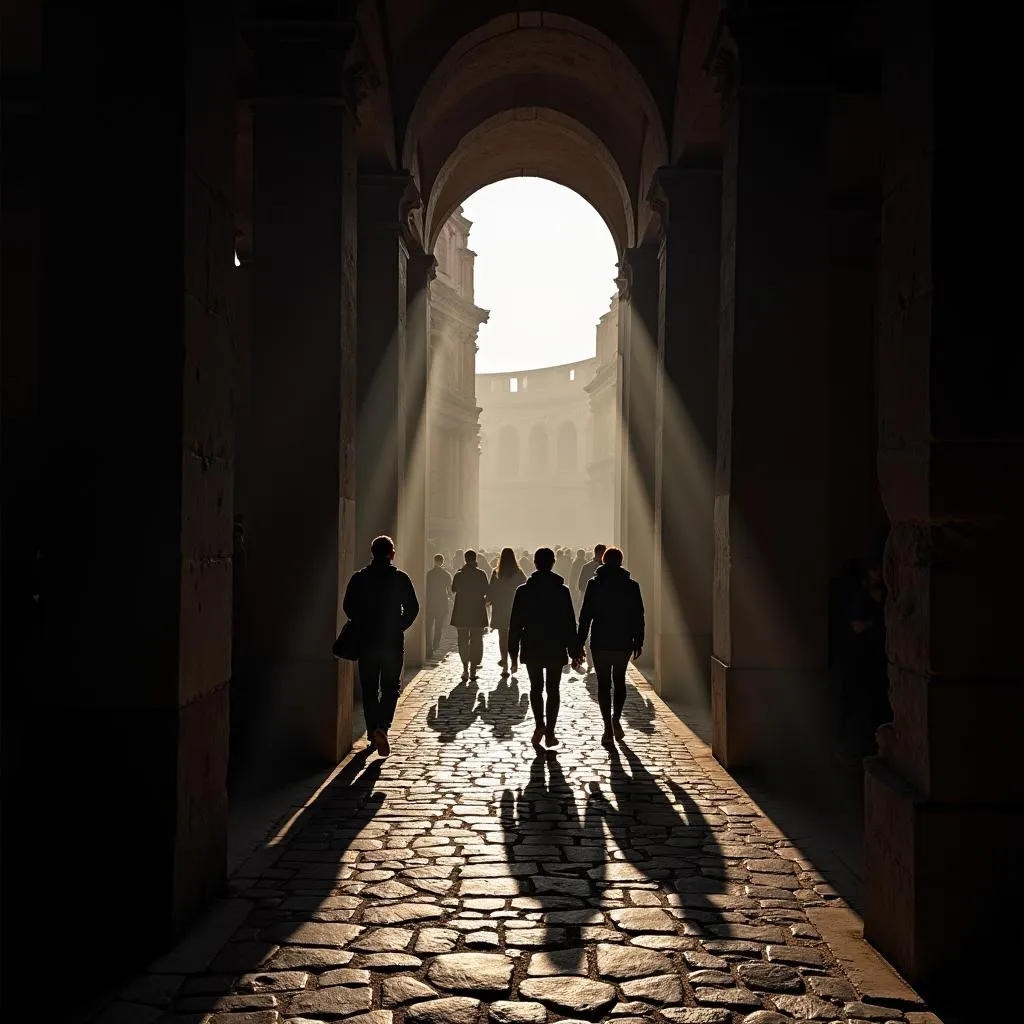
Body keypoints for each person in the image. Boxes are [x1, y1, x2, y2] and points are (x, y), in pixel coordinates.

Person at [342, 534, 419, 756]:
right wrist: (399, 626)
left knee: (369, 688)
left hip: (366, 641)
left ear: (372, 552)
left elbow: (348, 606)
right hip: (392, 641)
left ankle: (372, 731)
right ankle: (382, 727)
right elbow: (413, 607)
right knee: (390, 687)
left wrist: (361, 622)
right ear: (392, 554)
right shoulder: (401, 578)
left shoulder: (359, 578)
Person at [508, 547, 579, 747]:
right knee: (553, 689)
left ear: (535, 564)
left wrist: (513, 652)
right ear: (553, 563)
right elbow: (568, 622)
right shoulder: (561, 590)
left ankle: (539, 723)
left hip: (532, 644)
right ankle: (550, 731)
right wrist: (574, 650)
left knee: (535, 688)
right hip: (555, 645)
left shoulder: (523, 591)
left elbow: (515, 624)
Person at [576, 546, 645, 748]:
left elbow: (585, 616)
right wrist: (639, 640)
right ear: (621, 562)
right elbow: (638, 615)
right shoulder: (631, 586)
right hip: (623, 641)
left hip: (600, 640)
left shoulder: (594, 584)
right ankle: (616, 719)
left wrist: (579, 644)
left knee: (604, 684)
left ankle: (607, 725)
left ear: (603, 562)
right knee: (620, 681)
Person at [487, 547, 527, 675]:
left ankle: (505, 664)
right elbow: (525, 588)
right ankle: (514, 662)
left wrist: (488, 601)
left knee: (502, 638)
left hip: (500, 608)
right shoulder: (519, 573)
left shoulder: (496, 573)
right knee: (515, 637)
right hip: (516, 608)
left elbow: (491, 590)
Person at [451, 549, 490, 680]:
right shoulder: (481, 574)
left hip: (461, 612)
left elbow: (453, 589)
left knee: (462, 641)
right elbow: (487, 591)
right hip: (477, 612)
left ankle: (465, 669)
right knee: (477, 641)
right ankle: (473, 670)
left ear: (465, 559)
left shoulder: (459, 575)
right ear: (476, 559)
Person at [574, 543, 607, 668]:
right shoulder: (604, 568)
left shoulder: (586, 567)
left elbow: (580, 585)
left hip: (588, 601)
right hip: (598, 604)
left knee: (588, 629)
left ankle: (591, 660)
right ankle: (593, 658)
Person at [425, 553, 452, 658]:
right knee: (438, 627)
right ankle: (435, 645)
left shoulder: (429, 574)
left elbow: (426, 589)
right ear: (443, 561)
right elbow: (449, 591)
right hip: (441, 603)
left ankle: (428, 646)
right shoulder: (446, 574)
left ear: (434, 561)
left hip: (431, 603)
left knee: (429, 626)